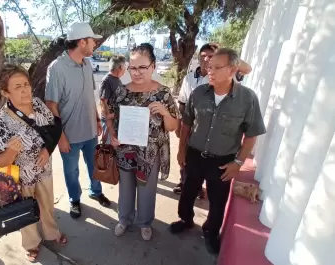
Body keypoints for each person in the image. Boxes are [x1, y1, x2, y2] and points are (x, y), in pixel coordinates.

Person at [169, 48, 266, 254]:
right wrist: (181, 150)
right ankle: (185, 219)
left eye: (216, 67)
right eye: (208, 66)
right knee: (188, 191)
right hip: (195, 155)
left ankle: (211, 231)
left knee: (217, 200)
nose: (209, 71)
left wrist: (237, 163)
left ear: (231, 70)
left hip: (223, 161)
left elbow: (251, 135)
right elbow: (186, 125)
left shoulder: (247, 99)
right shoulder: (198, 94)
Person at [0, 65, 68, 262]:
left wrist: (47, 149)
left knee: (47, 204)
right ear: (5, 92)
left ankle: (51, 232)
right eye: (17, 87)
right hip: (21, 177)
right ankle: (31, 243)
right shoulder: (0, 121)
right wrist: (11, 151)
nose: (25, 90)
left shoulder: (38, 104)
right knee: (26, 210)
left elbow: (54, 128)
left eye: (26, 84)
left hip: (43, 170)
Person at [106, 43, 180, 241]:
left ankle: (145, 222)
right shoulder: (121, 92)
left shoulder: (163, 94)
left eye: (142, 67)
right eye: (133, 67)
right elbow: (110, 116)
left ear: (153, 66)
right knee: (126, 187)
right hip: (125, 150)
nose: (136, 72)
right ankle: (124, 218)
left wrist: (165, 112)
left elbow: (173, 126)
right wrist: (112, 135)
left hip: (151, 153)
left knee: (147, 189)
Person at [45, 22, 111, 219]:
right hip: (70, 135)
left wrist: (98, 121)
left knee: (94, 166)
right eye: (92, 41)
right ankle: (75, 199)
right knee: (71, 171)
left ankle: (96, 191)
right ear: (82, 42)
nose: (95, 44)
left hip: (90, 130)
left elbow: (89, 97)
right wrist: (61, 137)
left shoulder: (87, 64)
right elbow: (51, 105)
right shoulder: (57, 68)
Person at [173, 43, 253, 195]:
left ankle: (201, 189)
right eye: (203, 56)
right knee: (187, 159)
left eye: (211, 56)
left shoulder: (228, 74)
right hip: (192, 126)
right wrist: (180, 125)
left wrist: (224, 53)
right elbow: (182, 102)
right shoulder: (190, 77)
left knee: (210, 165)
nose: (206, 59)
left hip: (213, 129)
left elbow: (247, 69)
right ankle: (186, 184)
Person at [99, 55, 126, 143]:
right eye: (125, 66)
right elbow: (103, 102)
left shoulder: (116, 79)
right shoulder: (107, 80)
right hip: (109, 122)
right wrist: (108, 118)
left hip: (115, 120)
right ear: (121, 67)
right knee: (108, 149)